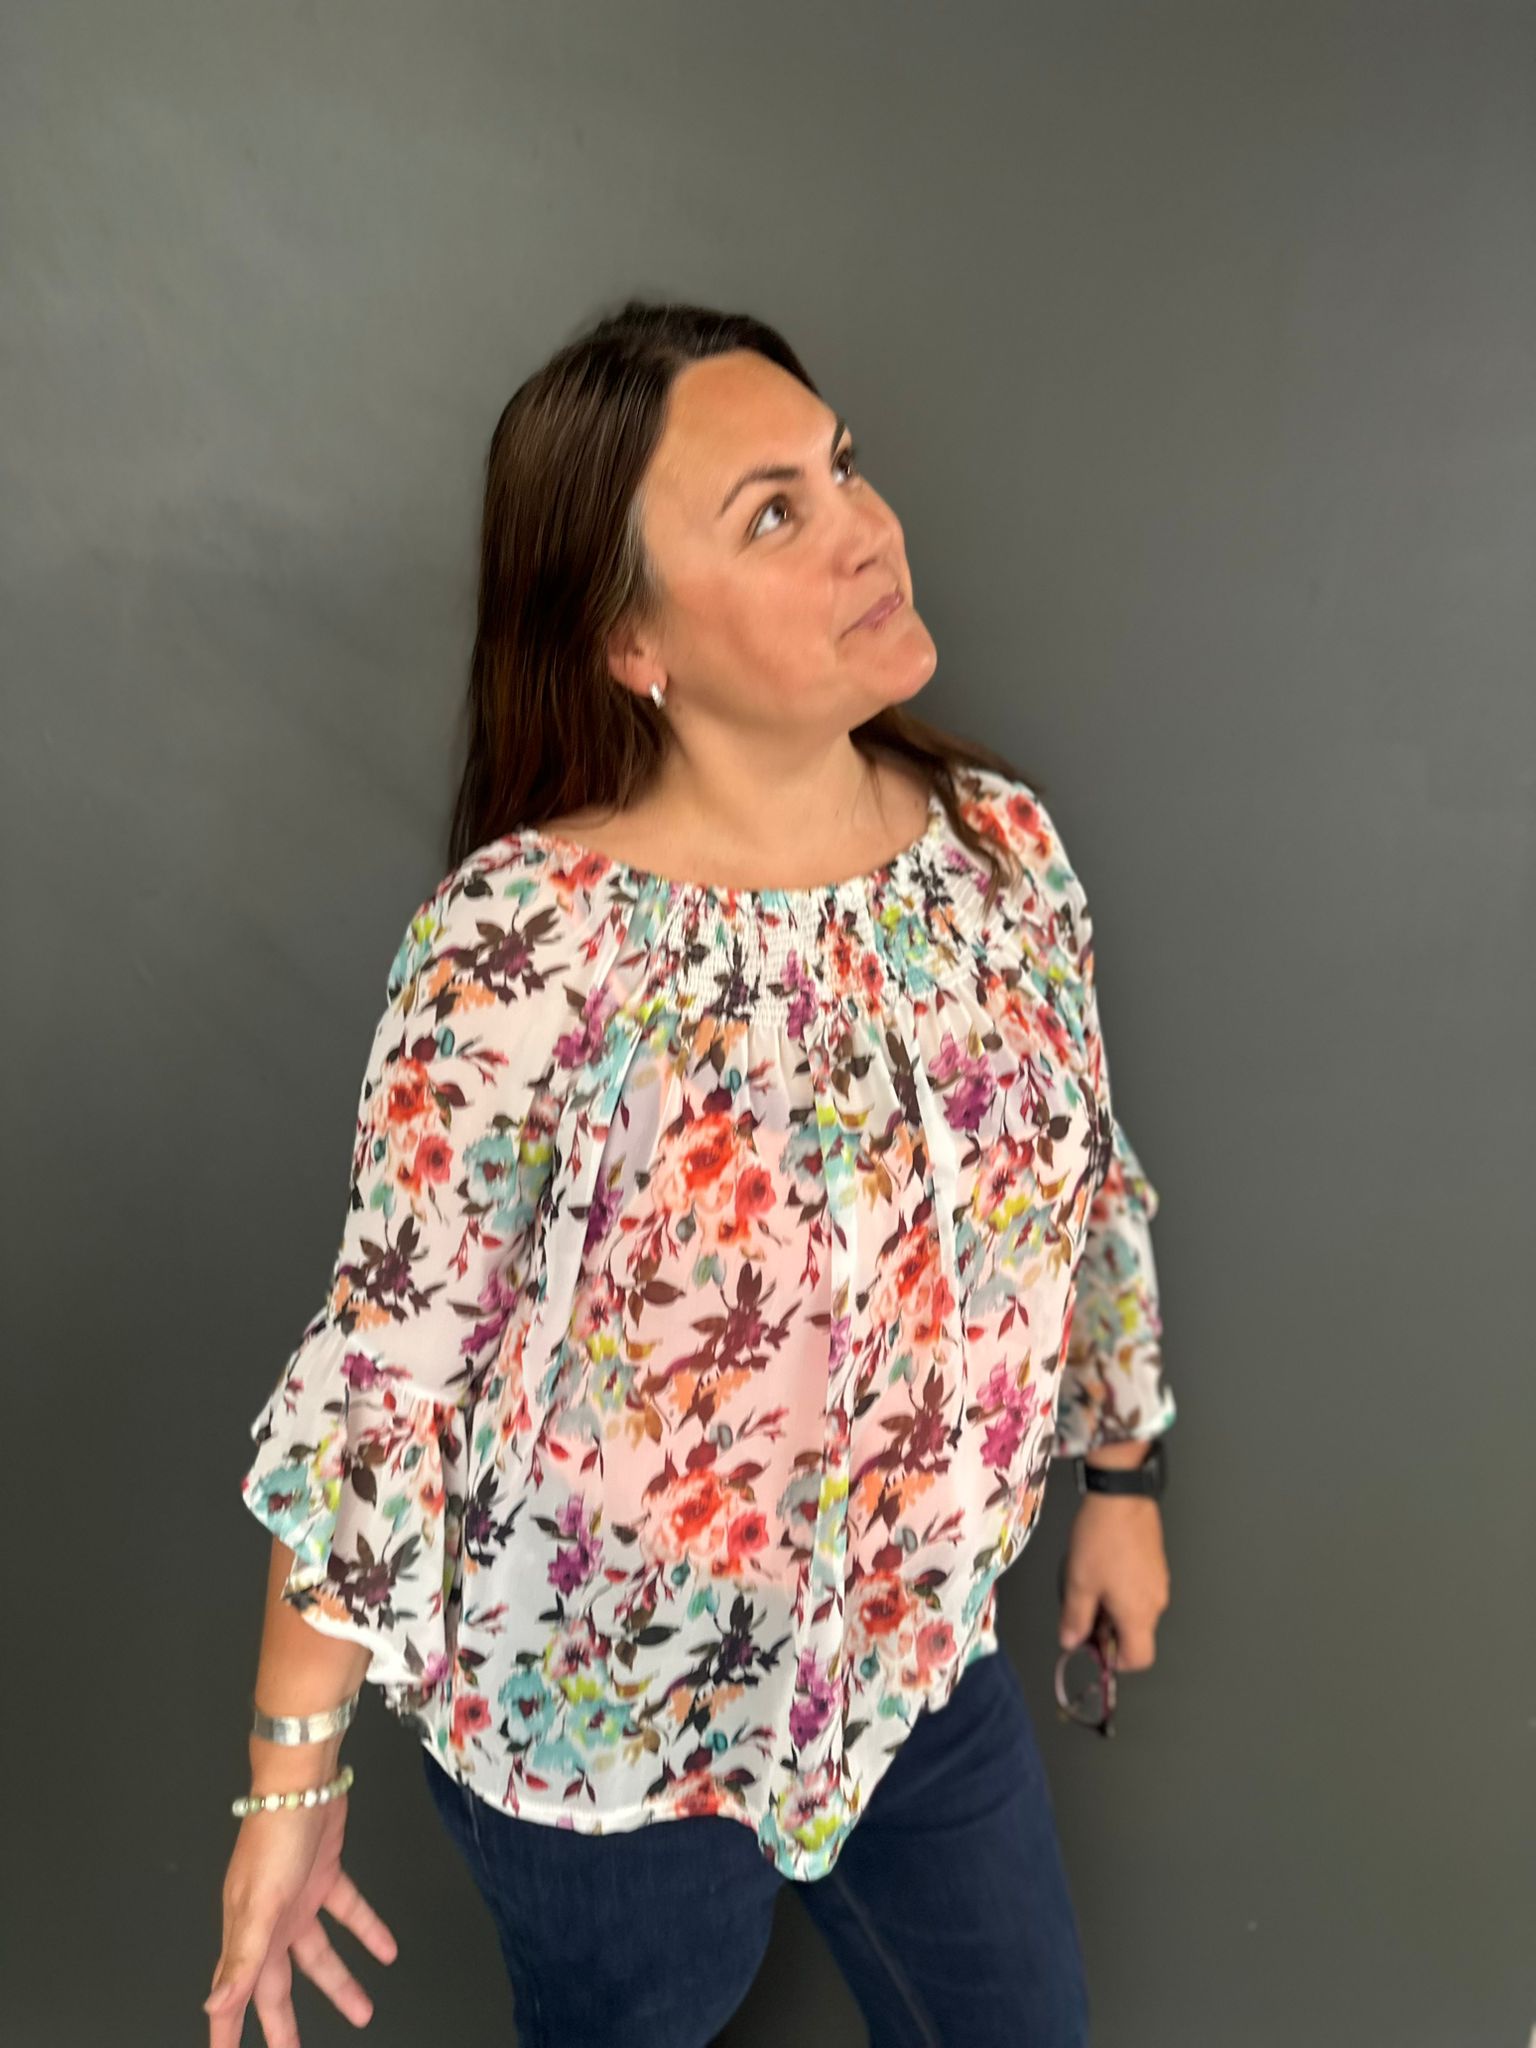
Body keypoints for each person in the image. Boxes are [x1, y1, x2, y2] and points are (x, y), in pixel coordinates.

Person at [204, 299, 1176, 2048]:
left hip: (914, 1673)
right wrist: (290, 1780)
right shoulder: (524, 944)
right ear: (630, 639)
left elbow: (1086, 1189)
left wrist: (1122, 1472)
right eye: (774, 511)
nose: (868, 529)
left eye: (844, 468)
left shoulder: (1002, 856)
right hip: (606, 1730)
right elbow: (384, 1384)